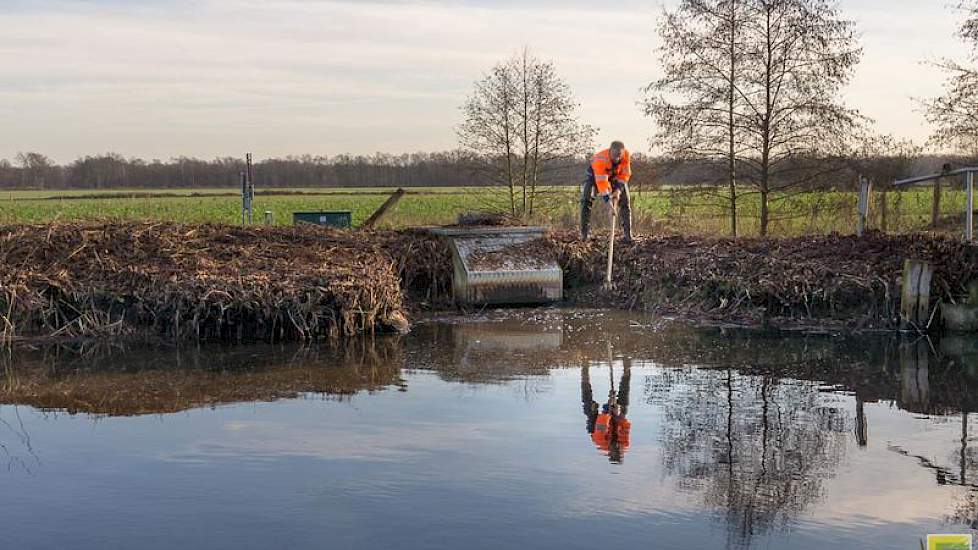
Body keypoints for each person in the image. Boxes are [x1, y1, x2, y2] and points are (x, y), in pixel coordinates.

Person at [581, 358, 632, 464]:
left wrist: (609, 405)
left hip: (596, 424)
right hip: (612, 425)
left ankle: (584, 371)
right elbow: (625, 424)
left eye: (616, 450)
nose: (618, 447)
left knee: (590, 407)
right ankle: (627, 371)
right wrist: (618, 412)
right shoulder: (625, 444)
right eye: (619, 450)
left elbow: (602, 420)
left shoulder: (600, 441)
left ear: (610, 452)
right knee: (624, 407)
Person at [580, 140, 633, 243]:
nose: (616, 158)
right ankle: (584, 234)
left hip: (615, 177)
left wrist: (618, 191)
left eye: (619, 156)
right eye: (614, 156)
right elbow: (602, 185)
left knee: (625, 202)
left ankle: (628, 235)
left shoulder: (626, 156)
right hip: (595, 179)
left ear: (622, 153)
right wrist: (610, 206)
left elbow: (625, 175)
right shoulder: (600, 159)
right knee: (586, 200)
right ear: (610, 152)